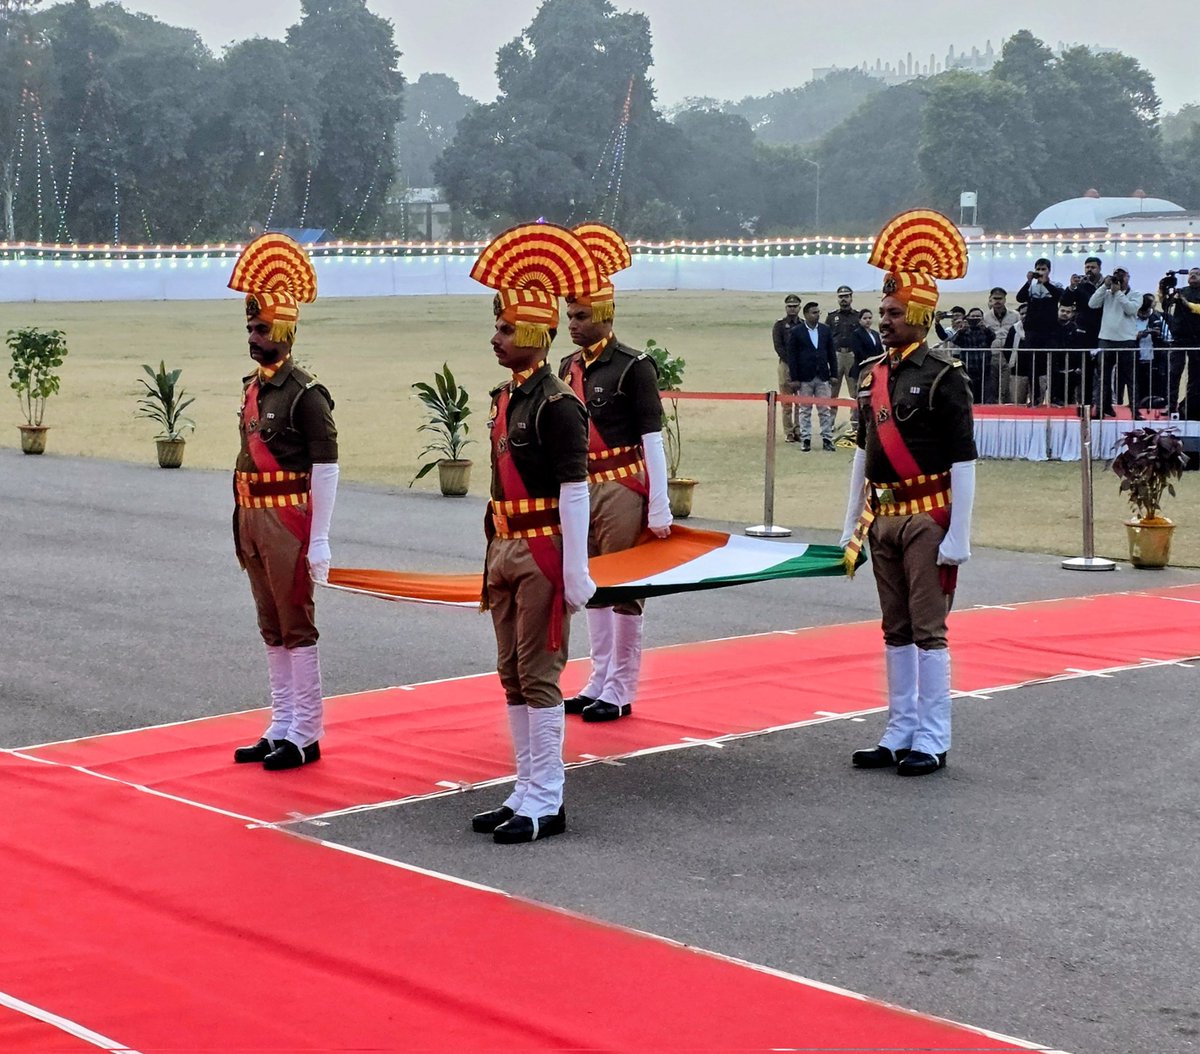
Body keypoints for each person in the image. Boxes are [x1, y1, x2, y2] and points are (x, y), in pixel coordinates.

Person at [467, 222, 599, 844]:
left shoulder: (557, 403)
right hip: (504, 546)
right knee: (511, 672)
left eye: (504, 329)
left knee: (540, 673)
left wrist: (576, 570)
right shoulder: (507, 397)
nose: (495, 338)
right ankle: (524, 787)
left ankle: (548, 798)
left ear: (530, 333)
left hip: (543, 548)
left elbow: (575, 489)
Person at [840, 208, 976, 777]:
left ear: (921, 315)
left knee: (927, 629)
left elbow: (964, 460)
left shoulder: (945, 376)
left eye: (895, 312)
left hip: (927, 518)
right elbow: (862, 452)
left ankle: (933, 737)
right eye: (883, 311)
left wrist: (959, 536)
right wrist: (850, 522)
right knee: (894, 627)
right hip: (884, 518)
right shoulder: (872, 374)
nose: (885, 320)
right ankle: (899, 730)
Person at [228, 233, 339, 771]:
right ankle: (281, 722)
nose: (254, 336)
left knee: (296, 623)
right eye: (251, 327)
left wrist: (320, 538)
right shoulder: (253, 387)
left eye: (263, 328)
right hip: (251, 516)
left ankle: (306, 732)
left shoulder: (306, 394)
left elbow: (327, 467)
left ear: (287, 330)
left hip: (287, 517)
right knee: (269, 622)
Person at [559, 222, 671, 724]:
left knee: (625, 588)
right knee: (591, 584)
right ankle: (597, 679)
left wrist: (659, 504)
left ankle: (621, 688)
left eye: (582, 316)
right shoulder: (568, 366)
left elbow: (652, 437)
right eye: (569, 315)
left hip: (623, 485)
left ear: (606, 314)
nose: (573, 324)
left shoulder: (632, 365)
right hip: (581, 486)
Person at [1087, 267, 1139, 418]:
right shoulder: (1107, 293)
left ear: (1128, 277)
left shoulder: (1136, 294)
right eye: (1116, 275)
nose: (1119, 278)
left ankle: (1135, 411)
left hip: (1127, 341)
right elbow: (1092, 304)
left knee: (1130, 378)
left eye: (1123, 275)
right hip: (1106, 340)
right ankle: (1100, 409)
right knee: (1103, 378)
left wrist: (1118, 293)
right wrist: (1104, 286)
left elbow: (1130, 309)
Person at [786, 301, 837, 451]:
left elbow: (831, 354)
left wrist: (833, 374)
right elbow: (792, 357)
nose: (817, 315)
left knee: (824, 409)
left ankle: (827, 439)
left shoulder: (825, 330)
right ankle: (806, 439)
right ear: (806, 314)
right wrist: (795, 378)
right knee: (805, 409)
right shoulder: (797, 331)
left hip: (822, 376)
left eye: (818, 312)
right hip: (804, 377)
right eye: (814, 312)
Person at [1016, 258, 1063, 404]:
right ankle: (1035, 397)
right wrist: (1028, 281)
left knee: (1053, 364)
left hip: (1050, 331)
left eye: (1043, 269)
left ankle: (1055, 396)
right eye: (1038, 269)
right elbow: (1020, 298)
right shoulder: (1031, 286)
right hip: (1033, 331)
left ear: (1049, 270)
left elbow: (1060, 297)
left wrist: (1046, 283)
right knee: (1033, 364)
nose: (1040, 272)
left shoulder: (1056, 285)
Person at [1061, 257, 1105, 409]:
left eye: (1093, 267)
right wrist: (1072, 287)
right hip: (1084, 333)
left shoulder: (1106, 284)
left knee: (1103, 372)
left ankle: (1104, 404)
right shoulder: (1080, 285)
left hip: (1104, 331)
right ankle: (1086, 405)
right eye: (1087, 267)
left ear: (1099, 268)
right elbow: (1065, 302)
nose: (1089, 270)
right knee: (1085, 371)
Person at [1163, 266, 1200, 418]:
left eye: (1197, 274)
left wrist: (1183, 301)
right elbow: (1166, 306)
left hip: (1197, 339)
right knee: (1174, 373)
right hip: (1179, 338)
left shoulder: (1184, 295)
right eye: (1191, 274)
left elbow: (1196, 309)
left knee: (1195, 375)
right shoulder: (1181, 291)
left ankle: (1190, 407)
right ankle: (1171, 405)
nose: (1193, 276)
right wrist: (1164, 290)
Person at [826, 285, 860, 428]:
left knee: (855, 391)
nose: (843, 299)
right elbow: (826, 338)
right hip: (836, 356)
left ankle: (855, 423)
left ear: (851, 298)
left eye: (846, 296)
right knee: (832, 391)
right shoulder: (832, 317)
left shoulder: (858, 316)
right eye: (841, 297)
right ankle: (829, 423)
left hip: (852, 356)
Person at [772, 294, 804, 441]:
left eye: (795, 306)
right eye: (789, 306)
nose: (792, 309)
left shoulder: (804, 325)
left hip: (802, 366)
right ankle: (789, 432)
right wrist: (791, 361)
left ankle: (799, 429)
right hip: (785, 365)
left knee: (801, 401)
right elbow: (778, 346)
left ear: (799, 308)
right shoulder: (779, 325)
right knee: (786, 401)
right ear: (786, 307)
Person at [848, 307, 883, 434]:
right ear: (860, 320)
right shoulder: (856, 334)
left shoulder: (875, 334)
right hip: (861, 370)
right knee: (859, 397)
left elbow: (880, 351)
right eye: (865, 318)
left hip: (875, 370)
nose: (868, 320)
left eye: (869, 318)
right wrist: (870, 362)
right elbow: (858, 352)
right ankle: (855, 424)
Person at [950, 307, 994, 402]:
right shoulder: (964, 331)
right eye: (973, 317)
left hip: (984, 367)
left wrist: (985, 328)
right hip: (968, 367)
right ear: (968, 318)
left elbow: (992, 337)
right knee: (969, 394)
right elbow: (956, 341)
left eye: (978, 317)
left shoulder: (986, 330)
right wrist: (961, 330)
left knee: (985, 395)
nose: (975, 319)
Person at [985, 287, 1019, 403]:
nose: (997, 301)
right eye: (995, 298)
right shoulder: (985, 317)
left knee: (1006, 384)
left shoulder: (1015, 315)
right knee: (992, 384)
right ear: (990, 299)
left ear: (1005, 300)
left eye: (1000, 298)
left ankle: (1005, 407)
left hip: (1009, 354)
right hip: (992, 354)